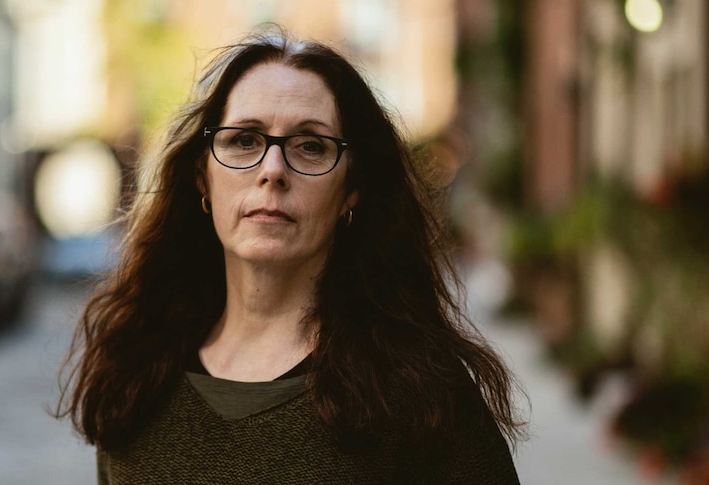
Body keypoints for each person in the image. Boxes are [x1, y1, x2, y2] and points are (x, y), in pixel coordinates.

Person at [56, 26, 525, 484]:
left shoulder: (419, 392)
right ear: (202, 178)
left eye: (310, 146)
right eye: (244, 140)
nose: (273, 170)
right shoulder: (137, 373)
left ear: (351, 192)